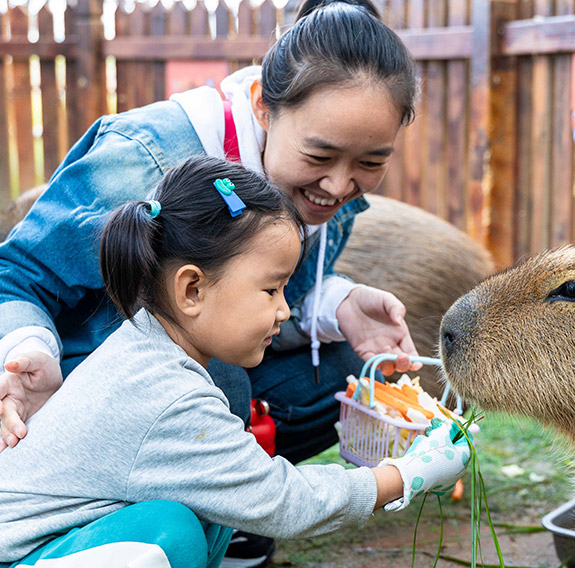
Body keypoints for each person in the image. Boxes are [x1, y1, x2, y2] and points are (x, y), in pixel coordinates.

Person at [0, 155, 471, 568]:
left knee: (211, 507)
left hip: (56, 541)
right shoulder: (166, 396)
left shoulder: (149, 352)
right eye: (271, 290)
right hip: (20, 553)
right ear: (192, 290)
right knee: (169, 532)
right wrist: (407, 474)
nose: (285, 310)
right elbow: (284, 501)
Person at [0, 2, 417, 463]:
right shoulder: (146, 159)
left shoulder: (322, 191)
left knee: (347, 368)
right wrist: (28, 349)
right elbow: (16, 273)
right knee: (217, 376)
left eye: (371, 162)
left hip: (188, 389)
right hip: (73, 390)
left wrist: (335, 305)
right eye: (319, 157)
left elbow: (259, 300)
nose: (339, 185)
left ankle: (235, 503)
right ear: (263, 105)